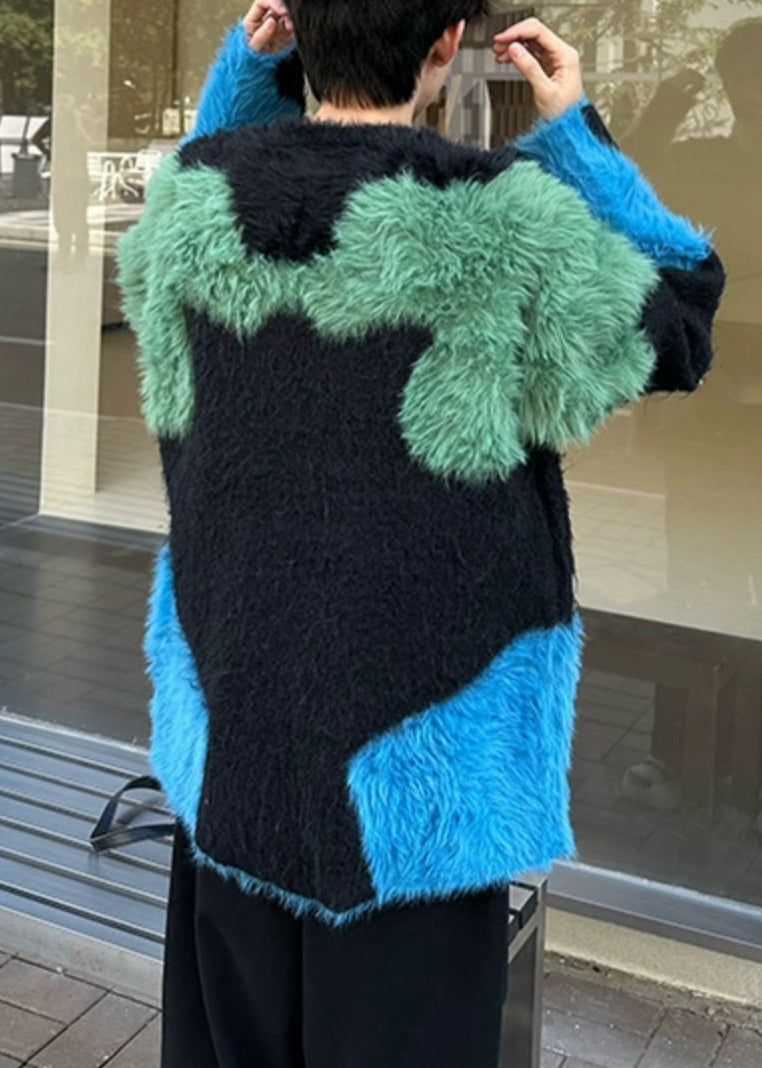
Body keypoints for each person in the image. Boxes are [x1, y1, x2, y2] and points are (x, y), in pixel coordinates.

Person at [117, 2, 724, 1065]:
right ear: (447, 43)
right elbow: (681, 315)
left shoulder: (188, 204)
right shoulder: (501, 223)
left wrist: (247, 78)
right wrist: (574, 135)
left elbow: (216, 168)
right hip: (418, 785)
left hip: (232, 740)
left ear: (297, 26)